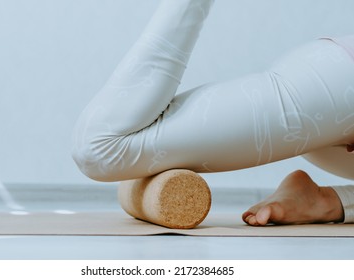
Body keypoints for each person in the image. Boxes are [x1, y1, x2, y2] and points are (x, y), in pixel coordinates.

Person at [72, 0, 354, 226]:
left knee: (102, 152)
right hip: (341, 86)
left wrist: (332, 201)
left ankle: (324, 201)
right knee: (102, 149)